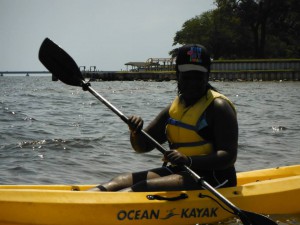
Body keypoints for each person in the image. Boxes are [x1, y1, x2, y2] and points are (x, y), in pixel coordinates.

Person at [89, 44, 238, 192]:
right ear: (177, 75)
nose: (192, 82)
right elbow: (142, 147)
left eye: (198, 76)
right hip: (181, 171)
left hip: (215, 178)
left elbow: (228, 156)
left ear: (207, 75)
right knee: (120, 180)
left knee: (140, 188)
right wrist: (135, 131)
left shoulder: (219, 107)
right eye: (187, 76)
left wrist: (189, 160)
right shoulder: (174, 108)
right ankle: (88, 198)